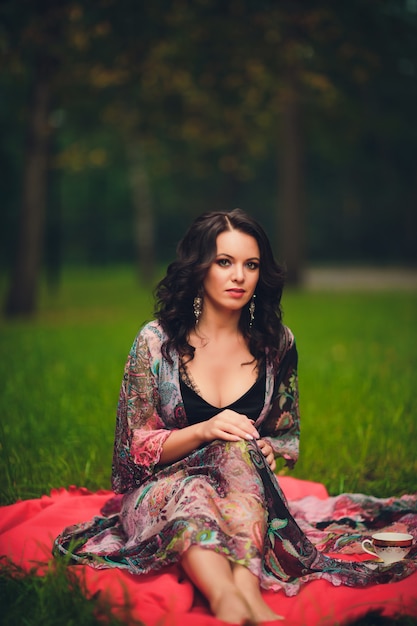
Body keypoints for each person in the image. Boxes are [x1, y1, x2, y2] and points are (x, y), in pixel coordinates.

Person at [54, 209, 416, 625]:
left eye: (251, 264)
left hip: (240, 485)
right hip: (161, 490)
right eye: (224, 262)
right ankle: (225, 597)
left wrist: (265, 448)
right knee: (196, 488)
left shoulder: (277, 344)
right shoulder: (155, 343)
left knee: (236, 448)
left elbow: (283, 432)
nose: (239, 276)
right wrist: (204, 429)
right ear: (200, 268)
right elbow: (132, 449)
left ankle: (246, 588)